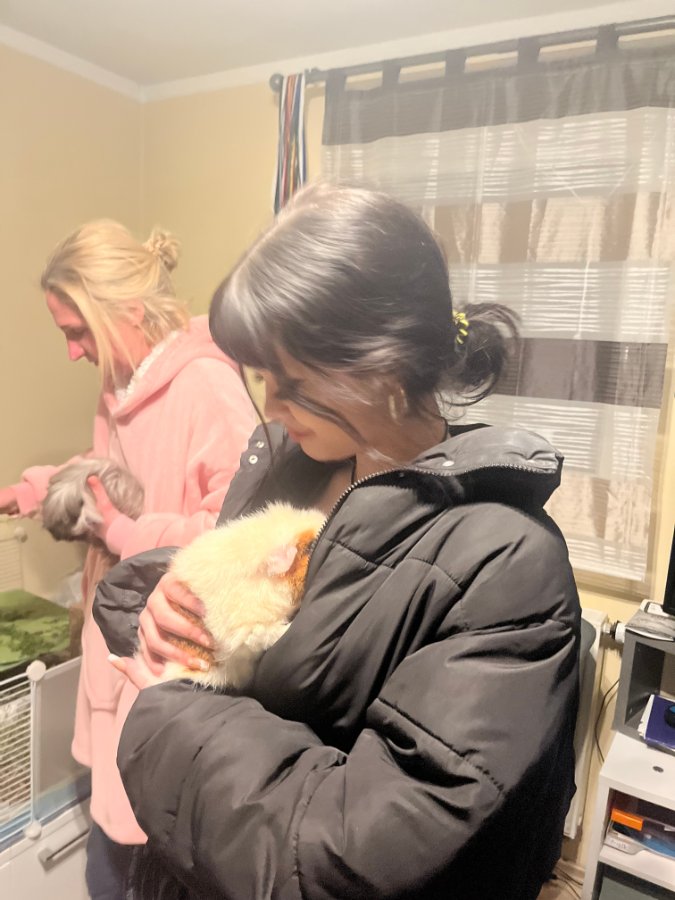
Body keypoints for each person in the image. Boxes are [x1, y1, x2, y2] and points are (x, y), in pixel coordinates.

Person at [96, 185, 581, 900]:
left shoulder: (505, 566)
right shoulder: (287, 468)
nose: (270, 405)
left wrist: (172, 713)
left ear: (384, 365)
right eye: (263, 377)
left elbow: (350, 853)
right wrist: (163, 601)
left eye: (291, 382)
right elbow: (254, 605)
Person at [0, 219, 256, 900]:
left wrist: (124, 533)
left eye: (77, 332)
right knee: (110, 853)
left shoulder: (206, 387)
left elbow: (238, 534)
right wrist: (34, 492)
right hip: (117, 642)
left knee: (139, 861)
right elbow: (105, 476)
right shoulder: (120, 386)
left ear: (130, 313)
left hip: (169, 659)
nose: (72, 352)